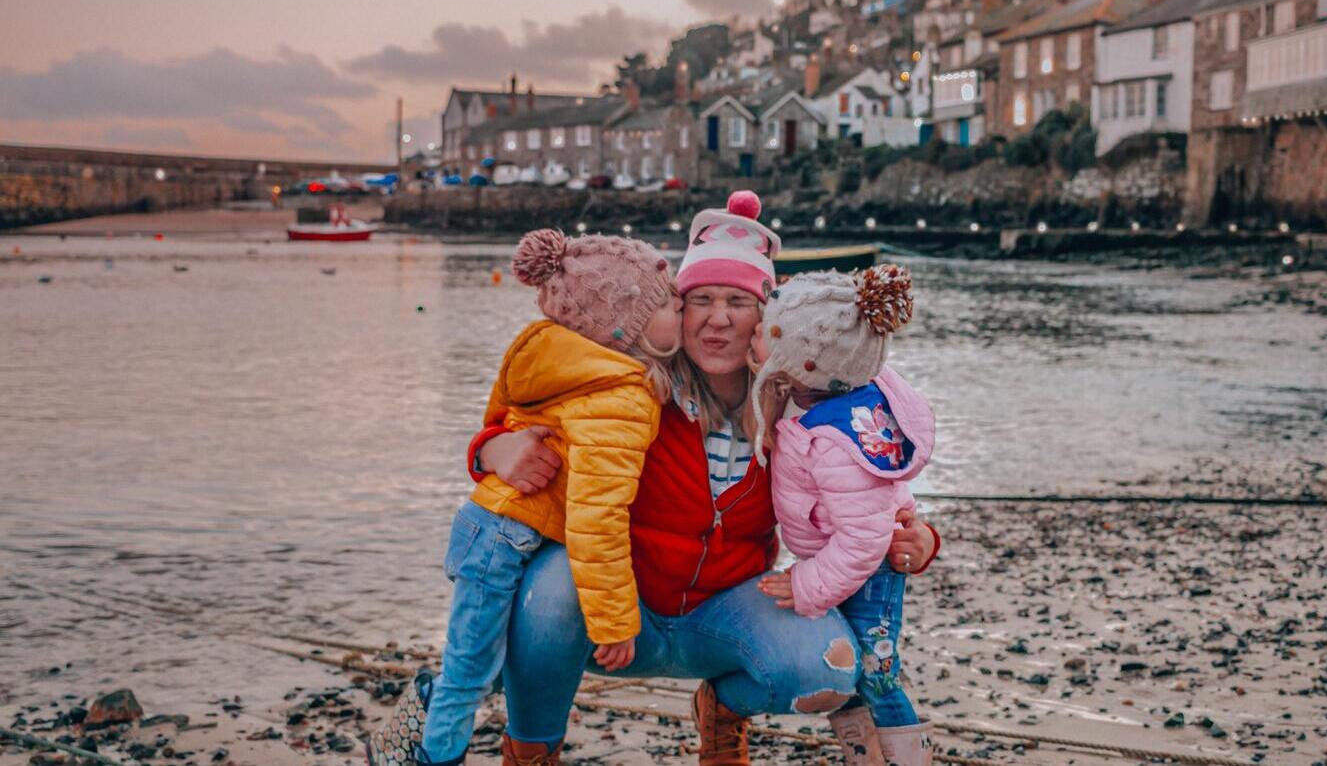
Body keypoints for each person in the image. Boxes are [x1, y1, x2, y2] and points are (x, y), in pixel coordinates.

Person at [470, 192, 942, 766]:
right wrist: (494, 449)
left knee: (827, 667)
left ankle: (722, 710)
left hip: (726, 614)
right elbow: (518, 419)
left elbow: (873, 489)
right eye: (702, 300)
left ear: (766, 317)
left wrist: (919, 541)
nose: (718, 319)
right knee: (549, 588)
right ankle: (531, 750)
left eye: (738, 302)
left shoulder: (803, 405)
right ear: (678, 308)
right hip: (622, 615)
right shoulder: (626, 384)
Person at [367, 229, 683, 766]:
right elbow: (597, 516)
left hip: (491, 525)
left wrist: (491, 451)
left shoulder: (554, 357)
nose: (684, 307)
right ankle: (430, 755)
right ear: (627, 324)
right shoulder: (623, 395)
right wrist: (614, 621)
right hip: (509, 535)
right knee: (472, 672)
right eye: (670, 301)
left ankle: (420, 725)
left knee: (477, 662)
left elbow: (499, 420)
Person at [749, 265, 935, 765]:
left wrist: (808, 585)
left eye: (770, 332)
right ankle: (863, 755)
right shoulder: (816, 392)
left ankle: (907, 759)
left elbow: (864, 538)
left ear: (805, 360)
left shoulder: (834, 439)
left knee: (876, 671)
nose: (755, 335)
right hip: (838, 560)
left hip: (866, 569)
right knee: (847, 666)